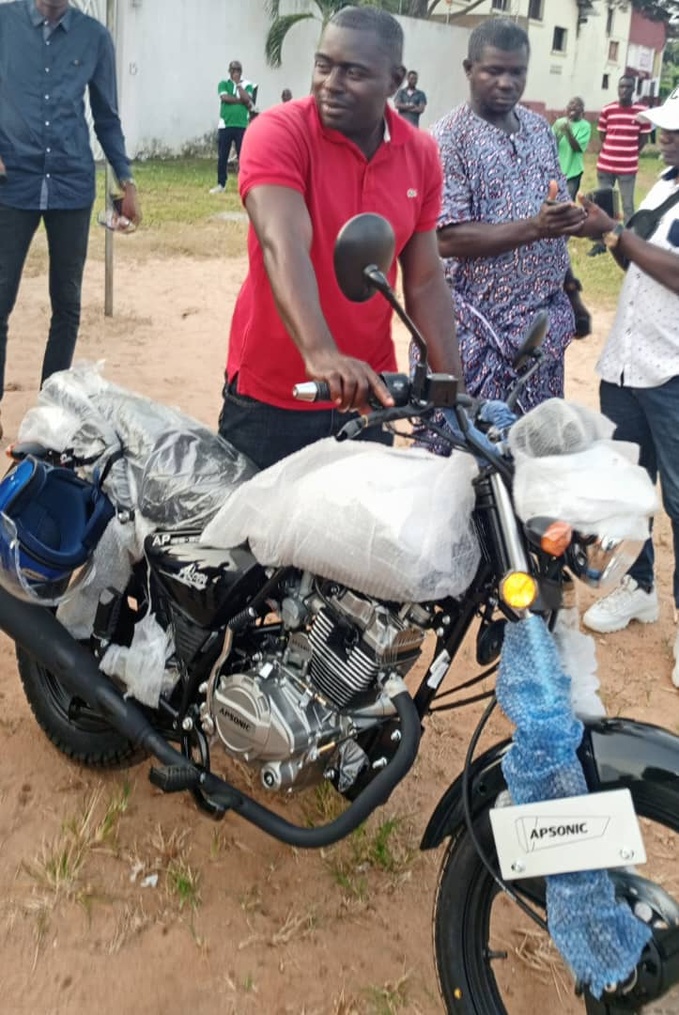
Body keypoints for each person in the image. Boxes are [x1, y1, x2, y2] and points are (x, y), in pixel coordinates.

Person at [218, 5, 462, 470]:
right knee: (254, 542)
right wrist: (322, 353)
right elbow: (282, 244)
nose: (330, 83)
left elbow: (426, 279)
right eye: (323, 65)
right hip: (274, 398)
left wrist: (452, 383)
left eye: (353, 72)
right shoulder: (279, 132)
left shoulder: (421, 155)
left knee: (357, 540)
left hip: (368, 396)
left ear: (394, 82)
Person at [429, 19, 595, 413]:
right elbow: (447, 238)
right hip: (477, 335)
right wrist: (535, 228)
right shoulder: (447, 139)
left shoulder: (539, 130)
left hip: (539, 334)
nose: (506, 82)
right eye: (493, 70)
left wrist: (571, 294)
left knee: (533, 453)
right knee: (471, 457)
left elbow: (554, 218)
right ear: (469, 70)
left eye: (516, 71)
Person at [0, 0, 141, 440]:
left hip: (69, 184)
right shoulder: (3, 22)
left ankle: (49, 417)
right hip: (13, 183)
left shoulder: (94, 37)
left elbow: (106, 118)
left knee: (68, 304)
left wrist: (127, 178)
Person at [577, 85, 679, 686]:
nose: (663, 136)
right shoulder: (666, 183)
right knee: (629, 491)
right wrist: (608, 229)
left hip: (672, 369)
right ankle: (638, 589)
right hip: (628, 363)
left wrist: (616, 231)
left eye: (673, 129)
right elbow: (635, 262)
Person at [588, 75, 652, 255]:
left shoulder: (642, 112)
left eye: (628, 87)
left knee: (628, 206)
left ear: (634, 90)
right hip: (606, 165)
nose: (624, 90)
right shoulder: (608, 110)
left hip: (627, 168)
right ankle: (601, 243)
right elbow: (603, 136)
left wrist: (629, 152)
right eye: (621, 86)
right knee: (604, 207)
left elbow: (643, 139)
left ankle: (629, 245)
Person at [210, 61, 257, 194]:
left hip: (241, 125)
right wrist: (241, 101)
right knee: (223, 156)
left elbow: (247, 98)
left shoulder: (248, 84)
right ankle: (221, 184)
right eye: (233, 70)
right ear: (229, 71)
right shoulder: (223, 83)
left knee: (243, 156)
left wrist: (238, 84)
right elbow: (224, 97)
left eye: (238, 70)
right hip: (225, 125)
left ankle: (245, 184)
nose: (235, 72)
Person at [552, 97, 592, 200]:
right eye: (570, 104)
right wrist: (558, 136)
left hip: (573, 172)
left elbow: (578, 148)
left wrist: (568, 132)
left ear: (582, 111)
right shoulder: (559, 123)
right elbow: (551, 145)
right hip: (557, 170)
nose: (573, 106)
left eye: (577, 105)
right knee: (552, 200)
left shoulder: (585, 126)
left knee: (567, 202)